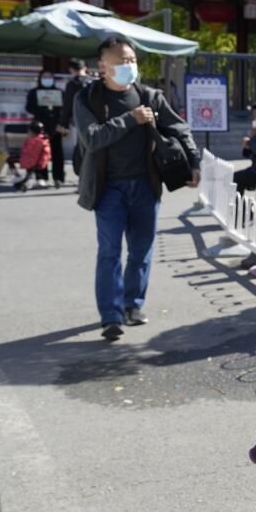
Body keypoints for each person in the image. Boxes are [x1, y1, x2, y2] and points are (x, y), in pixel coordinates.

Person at [74, 35, 201, 340]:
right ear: (103, 66)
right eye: (121, 61)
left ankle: (133, 304)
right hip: (108, 190)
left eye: (132, 60)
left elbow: (179, 127)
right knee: (109, 252)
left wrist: (194, 161)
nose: (129, 65)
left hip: (146, 186)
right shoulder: (88, 98)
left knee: (141, 251)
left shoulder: (149, 96)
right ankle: (111, 316)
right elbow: (91, 138)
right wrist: (130, 119)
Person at [26, 68, 67, 188]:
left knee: (57, 152)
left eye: (49, 77)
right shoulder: (34, 92)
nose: (47, 79)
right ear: (40, 79)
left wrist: (56, 111)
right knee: (39, 152)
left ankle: (58, 177)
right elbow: (29, 107)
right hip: (40, 126)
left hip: (56, 125)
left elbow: (65, 109)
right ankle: (41, 176)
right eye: (45, 77)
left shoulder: (59, 92)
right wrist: (41, 109)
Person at [62, 58, 93, 176]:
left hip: (78, 122)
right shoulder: (93, 82)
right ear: (84, 68)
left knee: (81, 149)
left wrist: (63, 123)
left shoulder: (72, 84)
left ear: (71, 69)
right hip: (95, 121)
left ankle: (83, 177)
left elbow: (67, 105)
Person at [14, 120, 51, 191]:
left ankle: (21, 179)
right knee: (31, 173)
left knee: (11, 160)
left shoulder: (35, 140)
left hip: (31, 161)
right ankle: (36, 180)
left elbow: (29, 152)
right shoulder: (43, 139)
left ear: (33, 131)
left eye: (30, 131)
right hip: (35, 161)